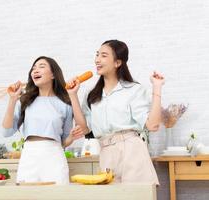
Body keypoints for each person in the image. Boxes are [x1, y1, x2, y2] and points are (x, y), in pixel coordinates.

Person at [66, 40, 165, 184]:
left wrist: (157, 87)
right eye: (97, 55)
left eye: (104, 55)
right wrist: (72, 95)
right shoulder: (92, 94)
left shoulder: (134, 89)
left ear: (117, 62)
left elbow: (152, 125)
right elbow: (84, 129)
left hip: (132, 152)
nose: (97, 60)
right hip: (106, 153)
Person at [2, 56, 81, 184]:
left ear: (53, 75)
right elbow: (6, 132)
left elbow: (63, 141)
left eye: (41, 66)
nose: (35, 70)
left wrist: (71, 137)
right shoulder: (24, 101)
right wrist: (12, 100)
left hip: (54, 156)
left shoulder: (65, 104)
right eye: (33, 68)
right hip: (29, 155)